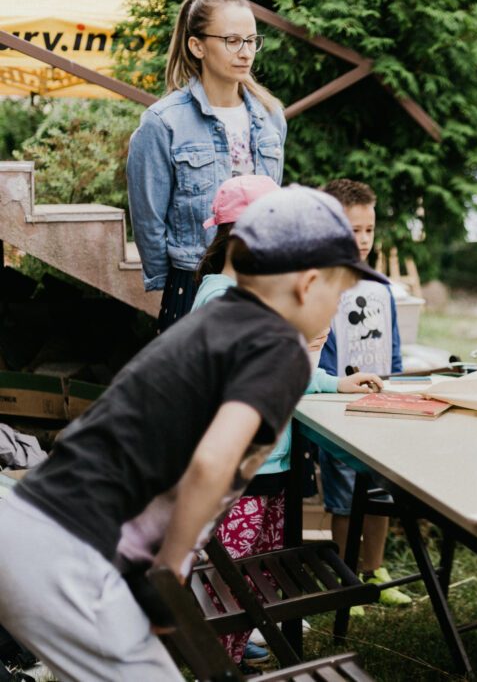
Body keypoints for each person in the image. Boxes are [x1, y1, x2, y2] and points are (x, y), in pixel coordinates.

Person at [0, 185, 389, 680]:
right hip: (71, 555)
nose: (340, 304)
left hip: (28, 519)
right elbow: (211, 463)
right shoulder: (279, 348)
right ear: (307, 284)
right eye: (340, 288)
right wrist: (170, 571)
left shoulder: (212, 319)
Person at [191, 176, 383, 666]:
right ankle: (219, 657)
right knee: (228, 569)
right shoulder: (221, 297)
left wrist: (333, 381)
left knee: (261, 564)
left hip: (272, 463)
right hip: (239, 467)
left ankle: (248, 638)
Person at [127, 0, 286, 333]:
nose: (246, 52)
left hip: (262, 281)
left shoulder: (271, 117)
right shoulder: (162, 122)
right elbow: (147, 217)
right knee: (195, 385)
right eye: (232, 41)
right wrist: (171, 277)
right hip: (192, 283)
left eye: (252, 40)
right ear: (197, 46)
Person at [317, 179, 412, 610]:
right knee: (342, 495)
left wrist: (395, 386)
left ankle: (375, 570)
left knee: (381, 491)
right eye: (352, 230)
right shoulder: (318, 285)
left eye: (368, 230)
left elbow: (391, 348)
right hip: (338, 408)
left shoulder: (379, 287)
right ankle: (344, 577)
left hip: (381, 405)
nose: (362, 240)